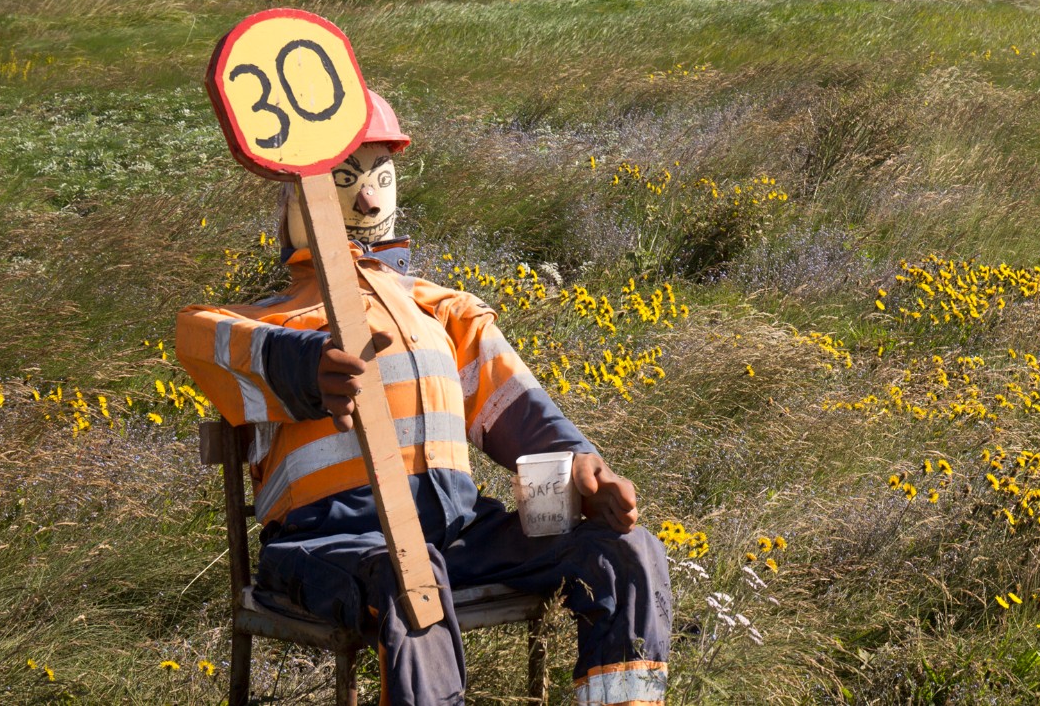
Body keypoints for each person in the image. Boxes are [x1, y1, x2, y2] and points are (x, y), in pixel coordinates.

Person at [176, 90, 670, 706]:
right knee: (413, 577)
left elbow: (517, 409)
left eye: (381, 175)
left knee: (624, 550)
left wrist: (579, 465)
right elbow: (208, 344)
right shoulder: (257, 321)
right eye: (344, 178)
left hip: (457, 530)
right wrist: (308, 366)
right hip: (329, 543)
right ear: (296, 195)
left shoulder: (441, 312)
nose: (368, 197)